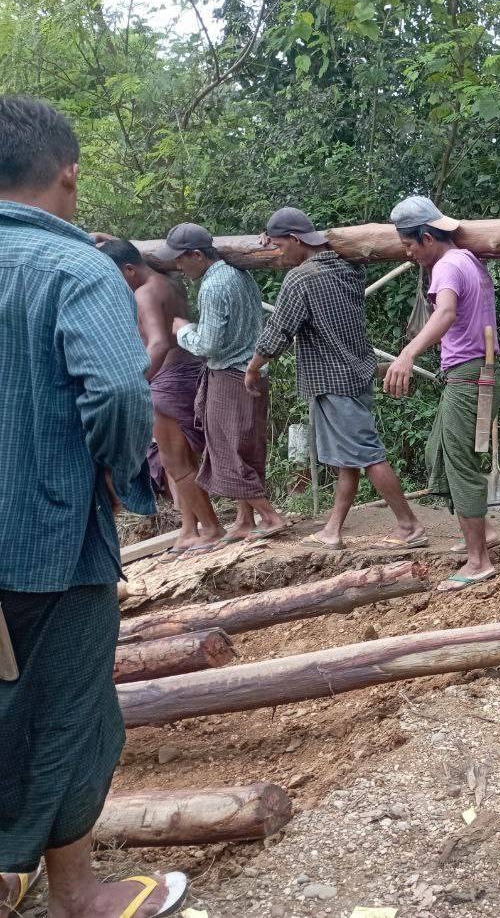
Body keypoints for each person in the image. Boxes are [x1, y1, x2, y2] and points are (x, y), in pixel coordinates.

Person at [0, 96, 188, 916]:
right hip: (45, 540)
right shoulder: (75, 268)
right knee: (68, 714)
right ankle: (81, 898)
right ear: (68, 175)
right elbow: (115, 388)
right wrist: (118, 473)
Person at [247, 207, 425, 550]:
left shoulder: (301, 279)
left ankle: (409, 525)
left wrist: (253, 368)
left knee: (367, 455)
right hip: (356, 374)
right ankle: (333, 529)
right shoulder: (348, 268)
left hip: (333, 381)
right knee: (349, 459)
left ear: (296, 240)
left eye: (281, 246)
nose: (280, 255)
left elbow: (277, 334)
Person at [383, 195, 500, 591]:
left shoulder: (447, 266)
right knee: (441, 452)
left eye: (409, 245)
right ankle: (485, 532)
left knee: (461, 464)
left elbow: (446, 312)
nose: (408, 252)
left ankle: (478, 559)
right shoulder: (468, 260)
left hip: (468, 375)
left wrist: (407, 354)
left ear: (428, 237)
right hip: (473, 372)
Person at [157, 222, 287, 542]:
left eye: (180, 259)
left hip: (229, 375)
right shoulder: (240, 274)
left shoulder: (213, 287)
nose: (178, 266)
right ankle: (245, 519)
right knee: (247, 448)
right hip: (251, 371)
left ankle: (270, 518)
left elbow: (209, 346)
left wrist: (183, 330)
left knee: (227, 451)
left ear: (197, 255)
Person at [98, 238, 224, 559]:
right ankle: (187, 529)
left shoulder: (143, 294)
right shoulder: (168, 281)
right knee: (182, 458)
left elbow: (157, 344)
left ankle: (210, 528)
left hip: (166, 380)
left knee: (175, 463)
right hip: (189, 372)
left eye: (115, 276)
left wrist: (136, 382)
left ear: (129, 270)